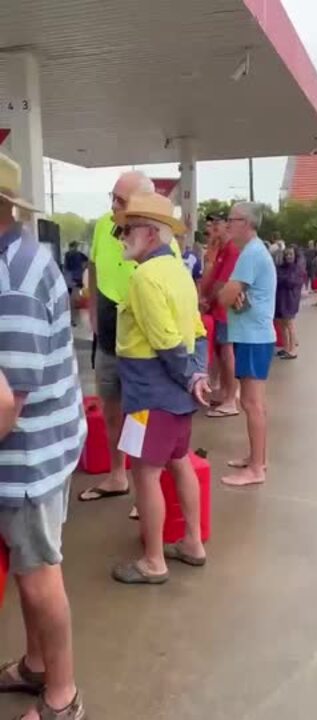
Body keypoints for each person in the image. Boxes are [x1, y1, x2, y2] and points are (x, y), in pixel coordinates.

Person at [0, 154, 87, 720]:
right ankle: (36, 665)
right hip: (46, 444)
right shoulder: (21, 260)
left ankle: (63, 695)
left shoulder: (13, 279)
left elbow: (7, 403)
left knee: (37, 575)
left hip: (27, 455)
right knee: (36, 564)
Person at [111, 192, 209, 584]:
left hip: (149, 392)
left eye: (129, 228)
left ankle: (153, 561)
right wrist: (197, 375)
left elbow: (165, 339)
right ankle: (192, 543)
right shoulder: (178, 272)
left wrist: (189, 375)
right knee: (178, 460)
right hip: (174, 396)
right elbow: (198, 332)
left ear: (150, 233)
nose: (123, 236)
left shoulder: (145, 277)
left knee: (144, 472)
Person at [79, 171, 155, 505]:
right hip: (108, 336)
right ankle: (117, 475)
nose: (113, 205)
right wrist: (93, 310)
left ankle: (147, 494)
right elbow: (94, 266)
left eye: (120, 200)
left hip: (142, 347)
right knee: (112, 410)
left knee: (142, 419)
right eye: (112, 197)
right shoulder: (101, 227)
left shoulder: (156, 236)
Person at [219, 202, 276, 487]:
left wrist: (227, 293)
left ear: (247, 223)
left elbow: (226, 295)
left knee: (251, 402)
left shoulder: (251, 253)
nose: (228, 224)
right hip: (252, 335)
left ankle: (256, 468)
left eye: (232, 220)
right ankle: (257, 458)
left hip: (254, 337)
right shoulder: (252, 252)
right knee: (254, 402)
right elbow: (232, 293)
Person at [200, 212, 240, 418]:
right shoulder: (220, 249)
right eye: (211, 223)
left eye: (218, 222)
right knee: (221, 354)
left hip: (224, 310)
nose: (213, 227)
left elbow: (222, 283)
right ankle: (226, 393)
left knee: (227, 353)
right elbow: (210, 277)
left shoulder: (232, 250)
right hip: (216, 309)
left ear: (227, 225)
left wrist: (207, 300)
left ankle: (231, 398)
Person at [275, 246, 304, 359]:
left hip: (290, 299)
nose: (288, 256)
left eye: (291, 254)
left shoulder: (297, 268)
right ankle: (286, 347)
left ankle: (293, 350)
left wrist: (282, 279)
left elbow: (291, 282)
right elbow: (278, 278)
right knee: (282, 324)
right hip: (281, 298)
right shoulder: (282, 267)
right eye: (286, 254)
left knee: (289, 324)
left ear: (295, 255)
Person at [64, 242, 88, 326]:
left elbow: (66, 267)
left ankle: (71, 319)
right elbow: (87, 262)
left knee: (71, 301)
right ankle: (72, 320)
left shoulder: (68, 255)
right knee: (73, 301)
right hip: (75, 280)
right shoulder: (78, 255)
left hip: (70, 280)